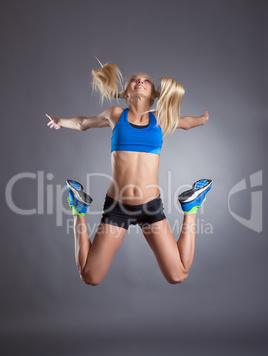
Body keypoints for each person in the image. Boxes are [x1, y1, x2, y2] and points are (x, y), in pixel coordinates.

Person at [46, 61, 212, 286]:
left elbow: (186, 123)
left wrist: (202, 120)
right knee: (90, 276)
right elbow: (83, 122)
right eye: (135, 80)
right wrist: (60, 122)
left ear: (153, 95)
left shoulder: (160, 119)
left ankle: (190, 208)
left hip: (150, 207)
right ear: (126, 92)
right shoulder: (116, 115)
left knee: (178, 275)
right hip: (118, 208)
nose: (140, 82)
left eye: (146, 80)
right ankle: (78, 209)